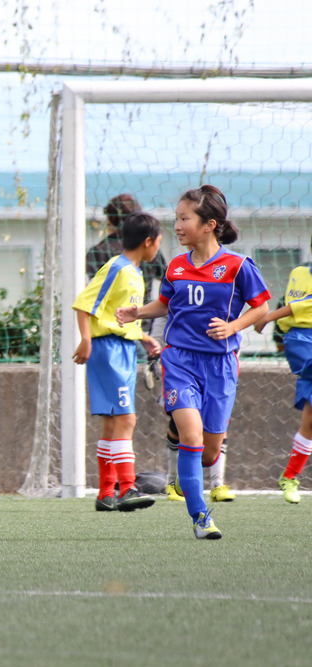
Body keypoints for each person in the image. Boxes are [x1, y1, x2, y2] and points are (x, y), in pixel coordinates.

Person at [117, 185, 270, 539]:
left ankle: (187, 474)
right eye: (176, 219)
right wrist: (137, 312)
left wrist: (233, 326)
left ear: (209, 225)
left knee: (209, 450)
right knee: (190, 434)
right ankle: (201, 517)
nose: (177, 226)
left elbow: (261, 306)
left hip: (220, 364)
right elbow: (166, 304)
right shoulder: (176, 266)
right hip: (179, 360)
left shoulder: (238, 266)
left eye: (184, 219)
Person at [73, 211, 163, 512]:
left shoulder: (134, 272)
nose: (158, 248)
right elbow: (85, 304)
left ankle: (105, 493)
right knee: (127, 419)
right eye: (159, 241)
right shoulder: (118, 268)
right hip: (108, 350)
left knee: (113, 422)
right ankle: (127, 488)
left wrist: (143, 337)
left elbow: (117, 316)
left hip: (122, 347)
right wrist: (86, 340)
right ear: (148, 241)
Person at [253, 237, 312, 504]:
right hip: (301, 340)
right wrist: (267, 317)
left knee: (310, 420)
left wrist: (268, 317)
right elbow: (301, 306)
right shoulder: (299, 273)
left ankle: (289, 476)